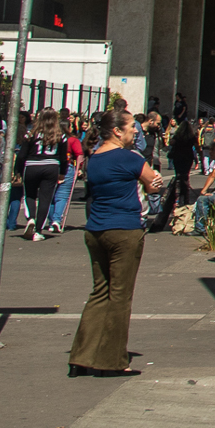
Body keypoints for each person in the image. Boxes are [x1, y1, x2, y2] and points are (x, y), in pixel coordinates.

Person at [68, 108, 166, 377]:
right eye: (131, 126)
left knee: (99, 292)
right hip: (125, 230)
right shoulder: (130, 158)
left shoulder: (95, 158)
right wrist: (153, 182)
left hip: (96, 229)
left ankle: (81, 356)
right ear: (117, 131)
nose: (136, 130)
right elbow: (153, 185)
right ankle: (112, 360)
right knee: (121, 296)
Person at [18, 112, 70, 240]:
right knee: (45, 199)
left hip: (31, 165)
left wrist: (18, 171)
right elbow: (64, 158)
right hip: (51, 166)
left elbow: (21, 155)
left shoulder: (31, 134)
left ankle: (31, 218)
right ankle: (38, 231)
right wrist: (62, 172)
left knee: (29, 194)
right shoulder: (61, 136)